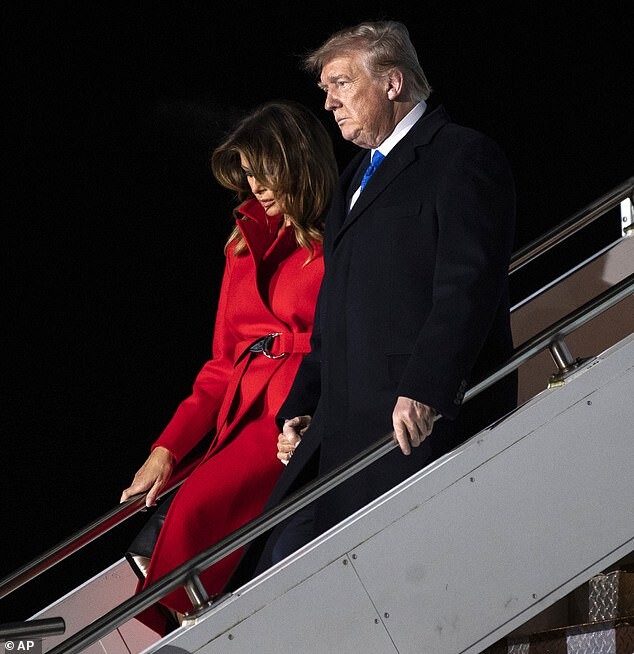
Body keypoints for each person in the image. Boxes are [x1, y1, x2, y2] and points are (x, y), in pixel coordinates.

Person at [228, 20, 518, 586]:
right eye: (325, 89)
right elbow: (333, 311)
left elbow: (468, 287)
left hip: (410, 430)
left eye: (340, 84)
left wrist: (427, 388)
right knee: (274, 575)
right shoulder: (351, 180)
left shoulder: (462, 156)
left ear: (392, 82)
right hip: (334, 436)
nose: (329, 102)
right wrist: (300, 406)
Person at [119, 99, 338, 633]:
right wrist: (167, 448)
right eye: (248, 175)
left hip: (297, 407)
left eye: (265, 172)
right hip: (240, 411)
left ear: (297, 162)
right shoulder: (242, 244)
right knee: (169, 530)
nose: (256, 187)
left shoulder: (341, 232)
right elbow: (221, 364)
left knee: (195, 514)